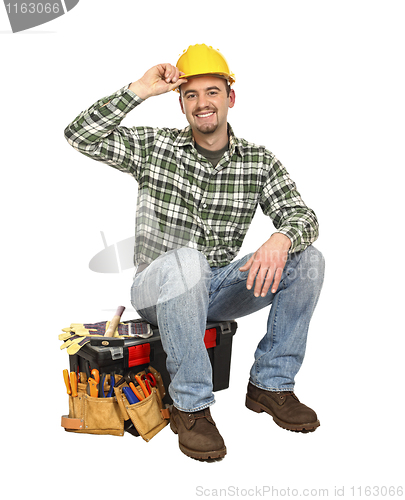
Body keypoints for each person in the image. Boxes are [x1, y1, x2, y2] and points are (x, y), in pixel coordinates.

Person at [64, 44, 325, 461]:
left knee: (308, 260)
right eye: (191, 95)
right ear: (182, 104)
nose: (202, 103)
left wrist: (282, 238)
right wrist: (138, 90)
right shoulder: (155, 148)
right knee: (188, 260)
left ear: (230, 97)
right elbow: (80, 134)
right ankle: (191, 407)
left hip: (217, 291)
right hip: (157, 289)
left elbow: (302, 215)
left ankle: (271, 385)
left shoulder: (258, 161)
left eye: (212, 92)